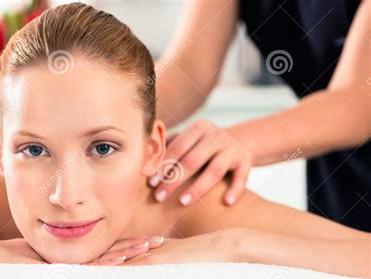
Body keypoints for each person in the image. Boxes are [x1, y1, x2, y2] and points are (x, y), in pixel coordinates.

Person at [0, 3, 369, 279]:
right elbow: (188, 68)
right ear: (0, 150)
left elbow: (360, 98)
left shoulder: (196, 205)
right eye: (34, 148)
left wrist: (232, 246)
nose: (66, 197)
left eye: (102, 149)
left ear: (153, 151)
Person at [150, 0, 370, 231]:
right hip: (334, 171)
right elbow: (190, 69)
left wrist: (229, 144)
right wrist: (122, 108)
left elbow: (359, 98)